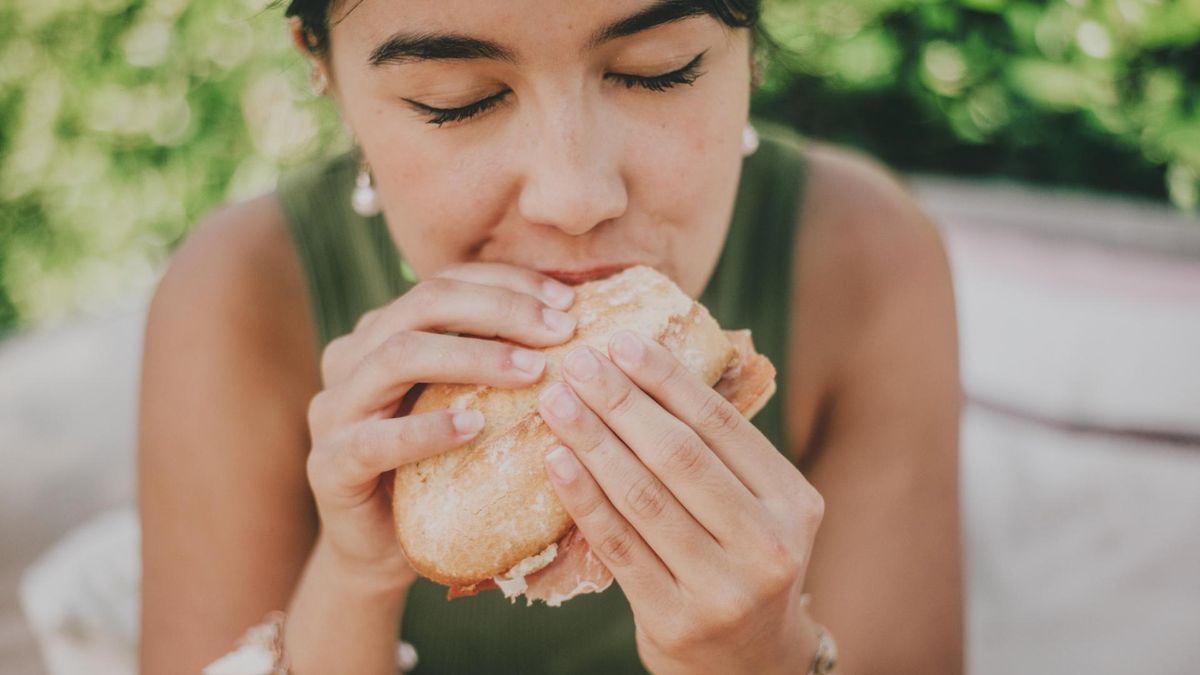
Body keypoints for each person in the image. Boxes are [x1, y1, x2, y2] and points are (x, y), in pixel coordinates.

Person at [137, 1, 963, 673]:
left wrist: (763, 660)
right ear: (324, 72)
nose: (575, 197)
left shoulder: (866, 260)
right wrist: (354, 580)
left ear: (747, 45)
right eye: (456, 97)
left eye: (659, 69)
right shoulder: (238, 298)